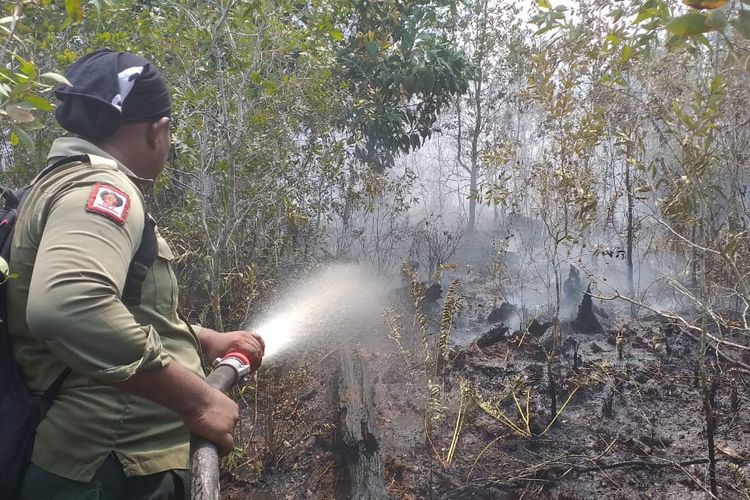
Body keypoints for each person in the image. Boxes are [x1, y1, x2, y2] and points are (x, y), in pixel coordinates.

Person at [7, 49, 265, 499]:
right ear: (156, 130)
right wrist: (198, 399)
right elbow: (69, 308)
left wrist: (202, 338)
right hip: (110, 468)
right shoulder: (101, 191)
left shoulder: (54, 183)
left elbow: (124, 305)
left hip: (105, 464)